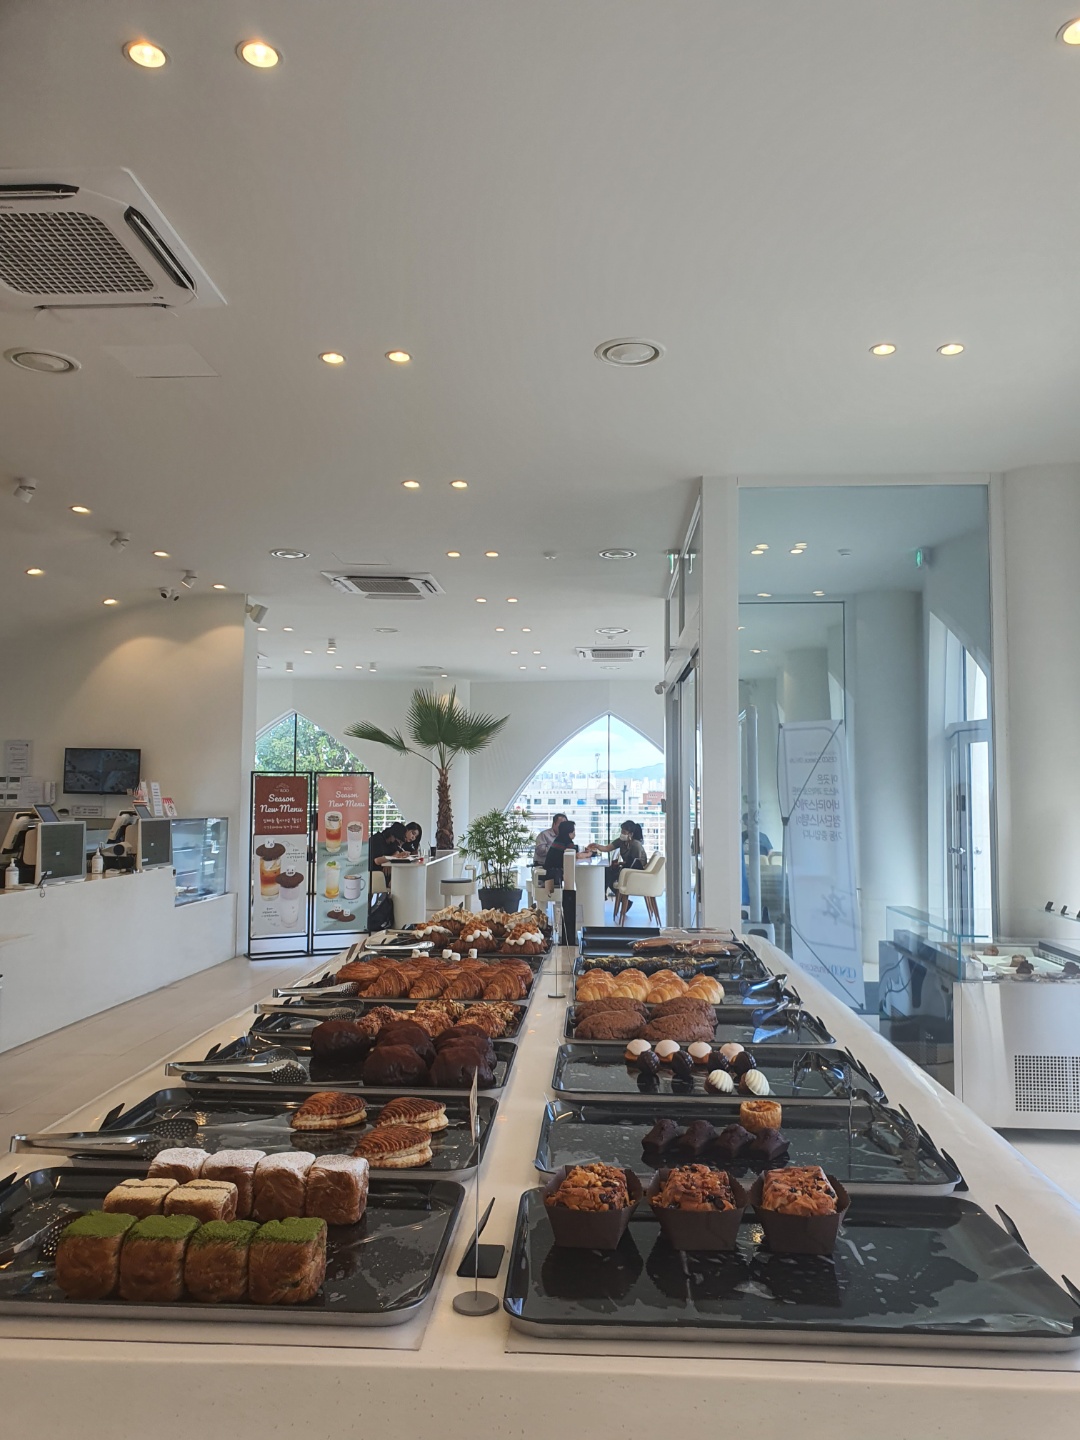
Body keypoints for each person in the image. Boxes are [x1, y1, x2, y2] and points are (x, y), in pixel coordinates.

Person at [594, 821, 648, 898]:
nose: (622, 834)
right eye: (622, 831)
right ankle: (617, 898)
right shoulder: (621, 841)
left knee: (609, 875)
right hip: (627, 868)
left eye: (624, 832)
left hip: (636, 872)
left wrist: (620, 864)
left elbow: (635, 863)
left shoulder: (636, 845)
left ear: (631, 834)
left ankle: (611, 896)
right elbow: (607, 848)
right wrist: (596, 846)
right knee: (607, 871)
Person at [541, 819, 596, 893]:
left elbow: (574, 852)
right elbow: (577, 855)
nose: (575, 833)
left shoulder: (559, 839)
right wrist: (590, 854)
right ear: (569, 833)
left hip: (550, 870)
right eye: (574, 831)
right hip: (554, 873)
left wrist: (585, 852)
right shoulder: (567, 841)